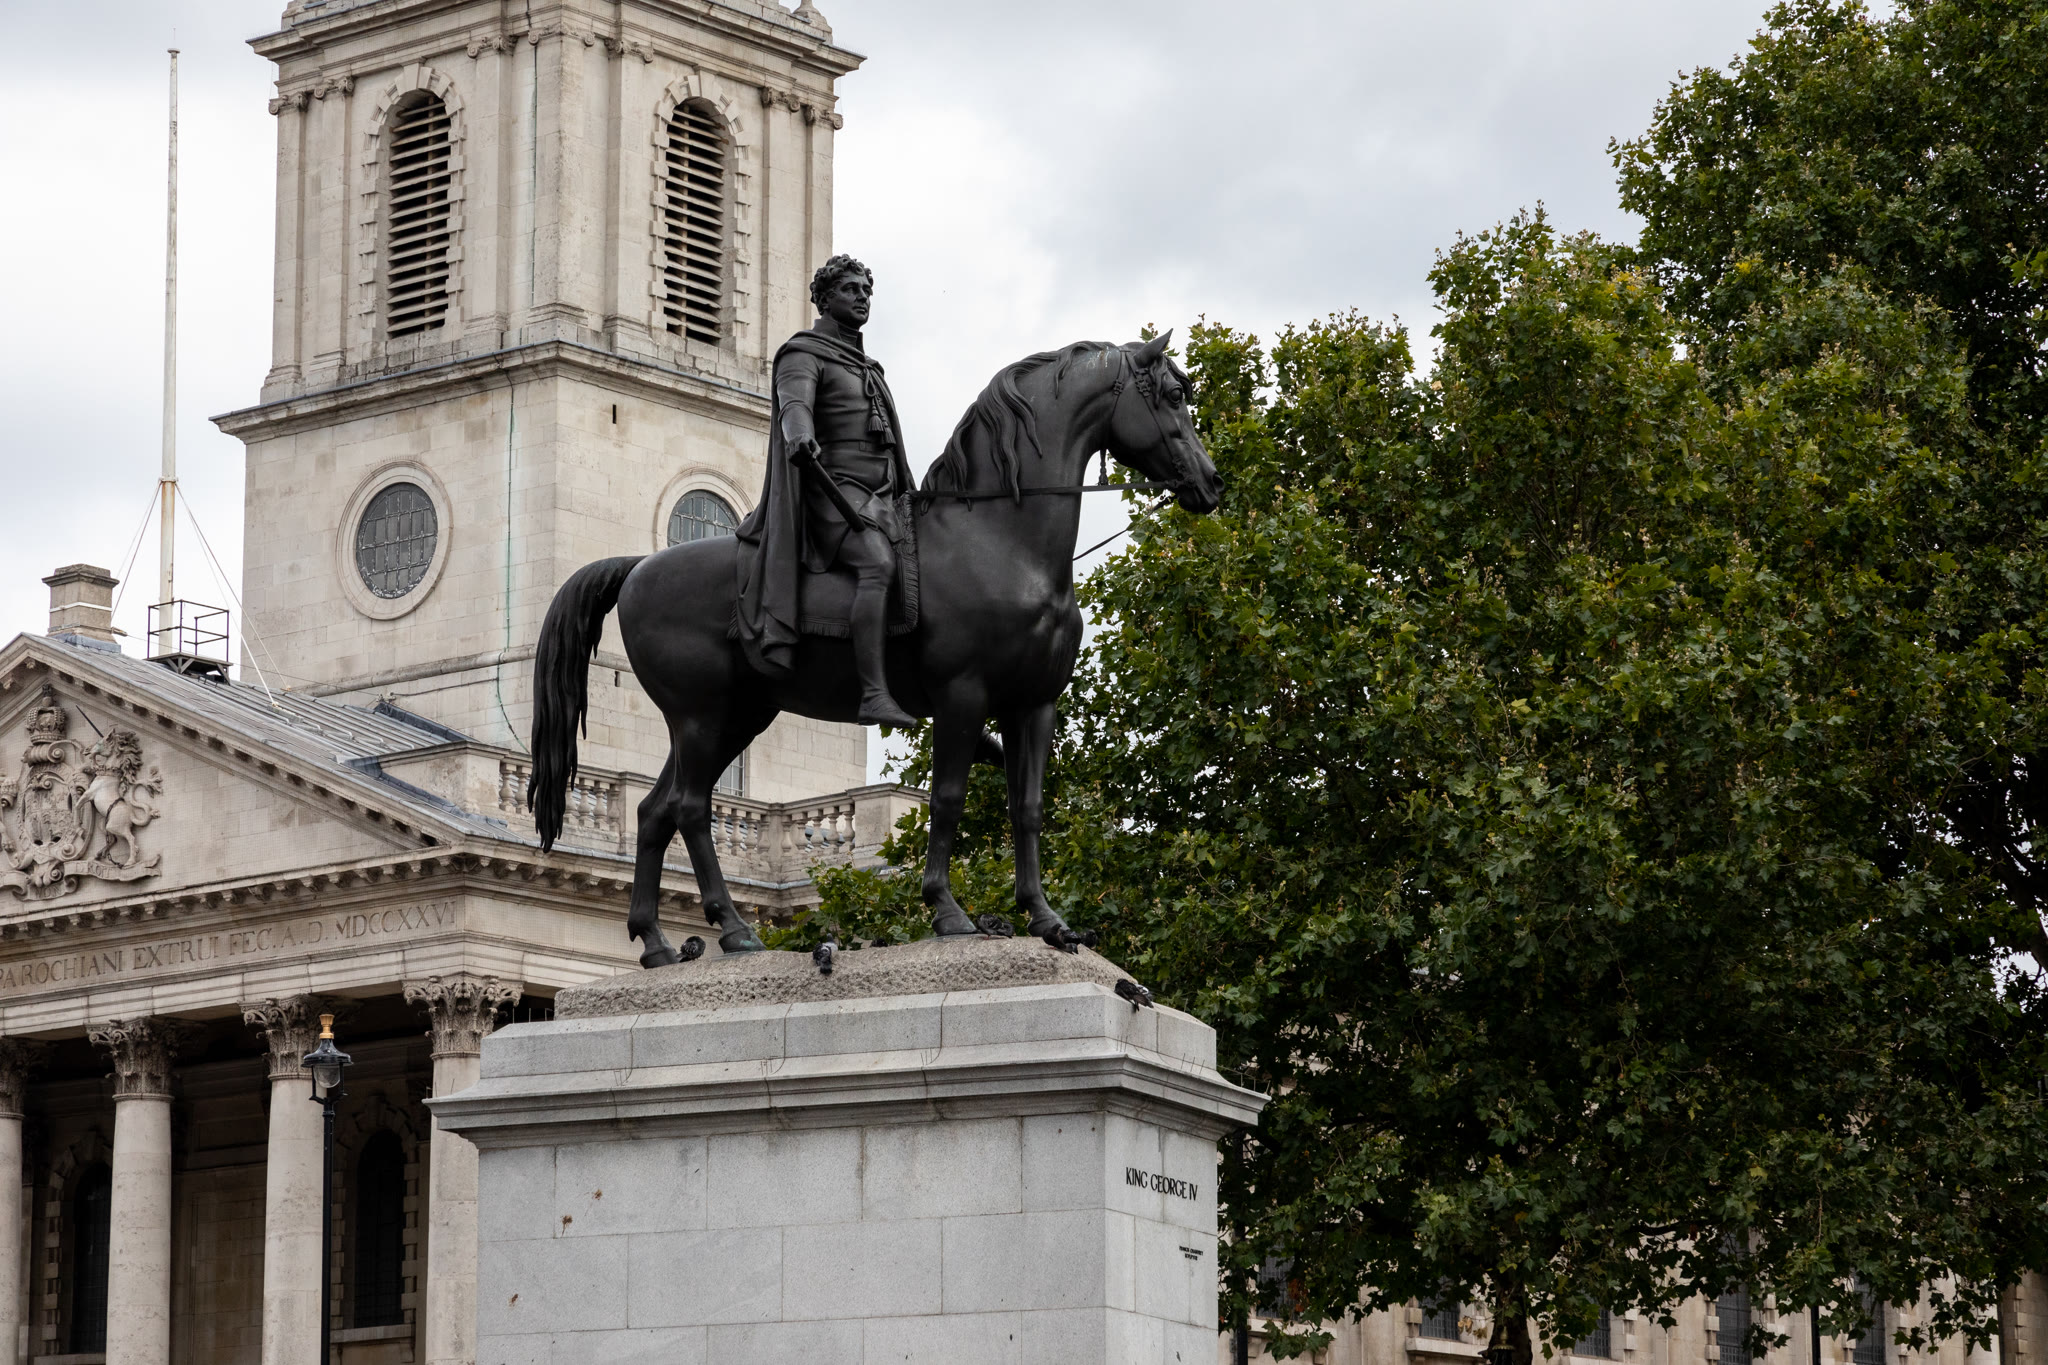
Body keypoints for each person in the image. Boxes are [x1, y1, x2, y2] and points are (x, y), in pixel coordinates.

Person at [734, 255, 920, 727]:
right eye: (850, 289)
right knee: (877, 564)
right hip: (834, 490)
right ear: (824, 298)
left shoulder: (868, 366)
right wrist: (799, 434)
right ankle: (873, 694)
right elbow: (794, 404)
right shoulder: (804, 353)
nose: (862, 297)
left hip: (883, 494)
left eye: (866, 291)